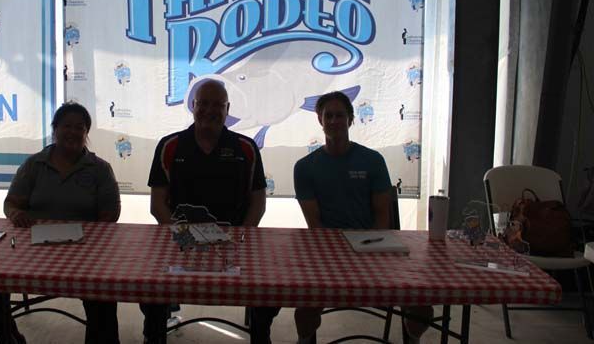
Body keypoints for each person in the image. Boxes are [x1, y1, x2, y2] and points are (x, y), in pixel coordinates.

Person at [140, 79, 277, 344]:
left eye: (218, 105)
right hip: (179, 240)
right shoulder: (170, 146)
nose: (210, 110)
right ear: (193, 106)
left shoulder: (246, 148)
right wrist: (180, 235)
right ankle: (153, 334)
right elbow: (157, 205)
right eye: (203, 103)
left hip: (234, 242)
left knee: (272, 287)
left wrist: (241, 236)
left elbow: (258, 203)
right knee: (149, 289)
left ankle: (262, 335)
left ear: (228, 109)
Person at [0, 102, 121, 344]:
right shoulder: (34, 165)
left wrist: (87, 237)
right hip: (33, 248)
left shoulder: (100, 169)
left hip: (85, 252)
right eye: (66, 126)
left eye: (79, 128)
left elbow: (111, 215)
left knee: (104, 288)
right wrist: (16, 214)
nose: (72, 132)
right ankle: (6, 334)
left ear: (86, 133)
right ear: (55, 129)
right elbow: (11, 203)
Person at [292, 91, 432, 344]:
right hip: (327, 252)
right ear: (320, 120)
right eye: (329, 115)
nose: (334, 120)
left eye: (340, 115)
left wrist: (372, 251)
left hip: (374, 250)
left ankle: (412, 338)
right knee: (304, 309)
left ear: (351, 119)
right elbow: (315, 225)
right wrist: (339, 255)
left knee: (423, 307)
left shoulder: (373, 160)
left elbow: (383, 218)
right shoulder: (304, 167)